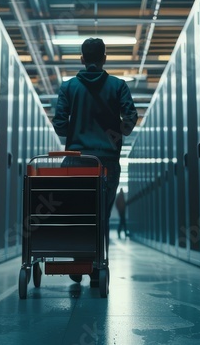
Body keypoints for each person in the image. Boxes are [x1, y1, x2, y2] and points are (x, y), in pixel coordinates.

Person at [53, 38, 137, 284]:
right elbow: (130, 120)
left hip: (76, 161)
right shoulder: (118, 86)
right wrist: (115, 133)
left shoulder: (68, 87)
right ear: (104, 59)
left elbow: (59, 126)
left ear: (82, 59)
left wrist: (78, 134)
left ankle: (79, 263)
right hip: (106, 163)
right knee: (100, 215)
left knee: (77, 213)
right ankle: (97, 264)